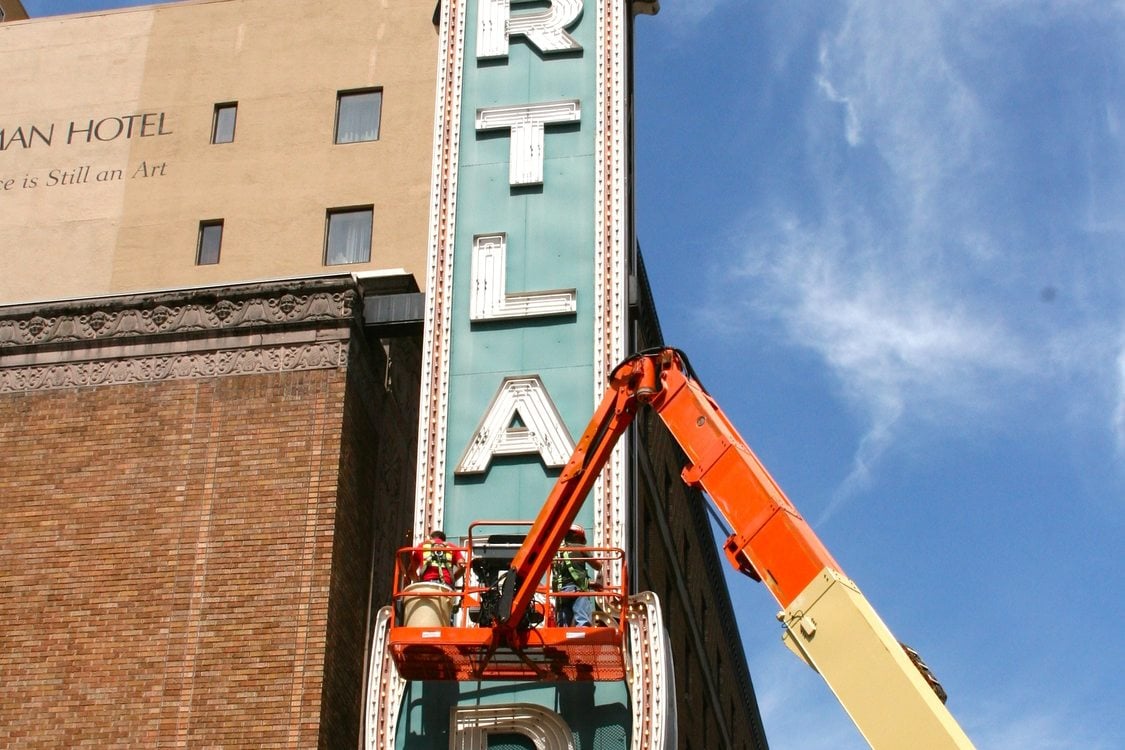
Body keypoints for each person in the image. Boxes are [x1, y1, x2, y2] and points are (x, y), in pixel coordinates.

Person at [552, 525, 602, 627]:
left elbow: (568, 576)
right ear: (577, 537)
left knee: (563, 619)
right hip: (578, 590)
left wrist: (590, 584)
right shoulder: (581, 548)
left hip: (563, 591)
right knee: (582, 618)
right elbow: (598, 565)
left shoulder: (559, 552)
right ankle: (582, 632)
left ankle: (562, 633)